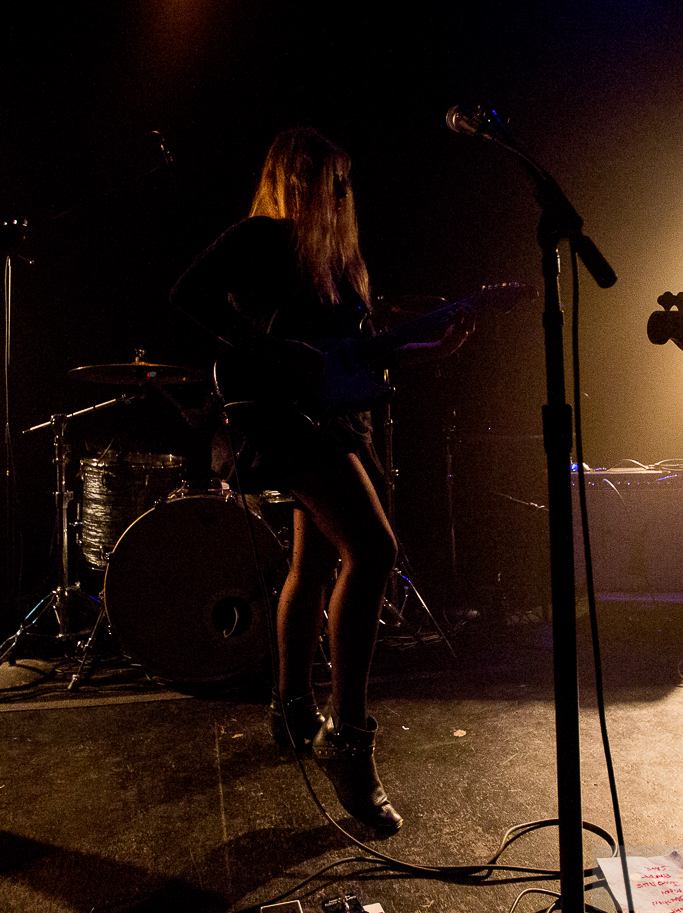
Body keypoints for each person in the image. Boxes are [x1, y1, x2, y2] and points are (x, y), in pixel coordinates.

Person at [170, 127, 470, 831]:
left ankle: (292, 707)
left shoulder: (337, 264)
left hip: (332, 420)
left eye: (344, 181)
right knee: (373, 551)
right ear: (295, 179)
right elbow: (187, 293)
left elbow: (352, 359)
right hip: (281, 423)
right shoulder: (261, 237)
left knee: (313, 562)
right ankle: (348, 739)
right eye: (328, 179)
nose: (340, 192)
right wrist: (272, 350)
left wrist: (432, 347)